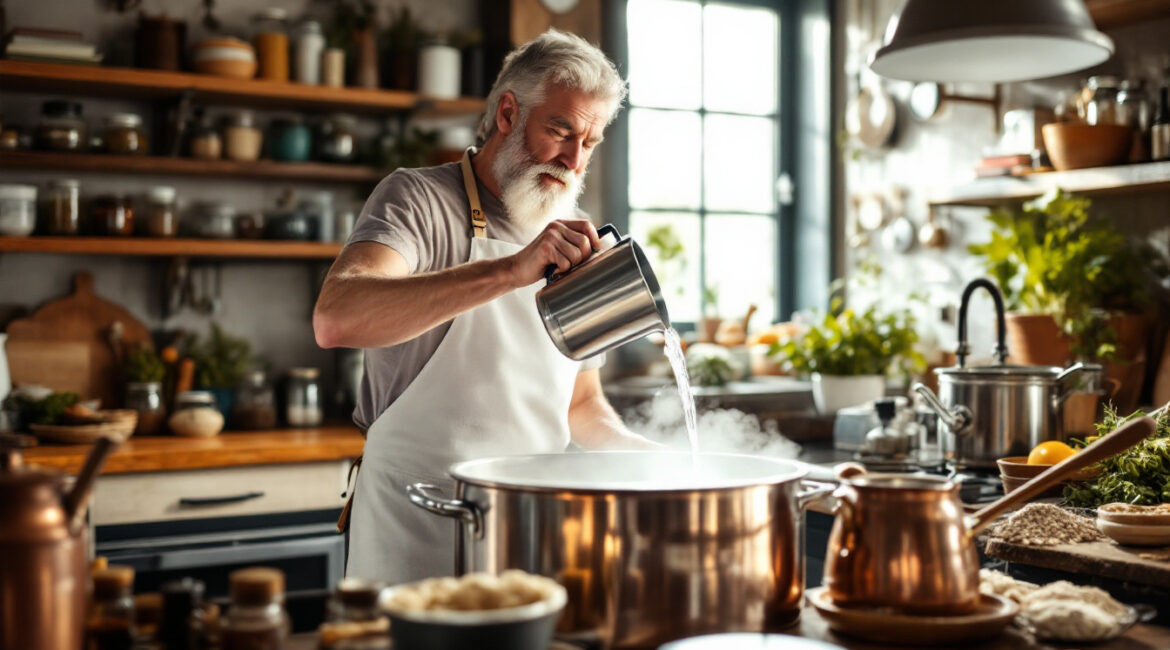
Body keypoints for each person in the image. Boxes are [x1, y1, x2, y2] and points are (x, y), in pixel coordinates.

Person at [313, 29, 657, 584]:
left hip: (526, 527)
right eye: (560, 130)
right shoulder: (417, 198)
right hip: (414, 519)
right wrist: (508, 270)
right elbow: (336, 318)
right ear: (507, 114)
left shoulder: (570, 235)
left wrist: (655, 461)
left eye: (589, 143)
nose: (573, 159)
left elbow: (581, 409)